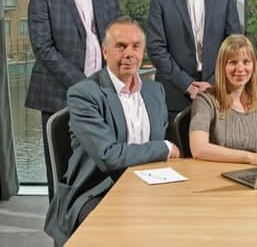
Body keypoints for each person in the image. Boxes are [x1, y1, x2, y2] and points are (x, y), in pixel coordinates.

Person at [44, 16, 180, 245]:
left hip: (147, 186)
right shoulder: (84, 94)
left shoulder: (155, 91)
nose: (129, 53)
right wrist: (164, 147)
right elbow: (110, 156)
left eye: (136, 46)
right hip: (97, 192)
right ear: (105, 52)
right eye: (120, 46)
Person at [25, 0, 121, 199]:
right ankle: (62, 231)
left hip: (104, 95)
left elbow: (116, 40)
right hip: (59, 94)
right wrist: (85, 86)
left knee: (100, 165)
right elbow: (43, 48)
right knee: (62, 168)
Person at [146, 0, 242, 143]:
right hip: (175, 92)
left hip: (216, 90)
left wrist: (213, 83)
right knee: (177, 154)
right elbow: (156, 48)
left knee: (216, 154)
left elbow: (234, 45)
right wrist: (187, 84)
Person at [189, 35, 257, 165]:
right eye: (233, 62)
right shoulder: (205, 101)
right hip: (214, 176)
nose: (240, 69)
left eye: (246, 62)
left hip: (253, 176)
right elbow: (199, 149)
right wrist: (250, 158)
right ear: (222, 66)